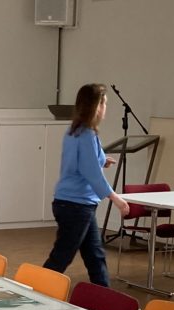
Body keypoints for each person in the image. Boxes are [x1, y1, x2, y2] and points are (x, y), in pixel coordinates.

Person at [43, 83, 130, 287]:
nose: (105, 108)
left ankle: (105, 301)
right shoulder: (88, 135)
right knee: (62, 257)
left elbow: (82, 163)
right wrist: (116, 198)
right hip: (76, 206)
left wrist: (102, 160)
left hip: (73, 204)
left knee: (95, 256)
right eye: (105, 103)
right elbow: (90, 173)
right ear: (96, 106)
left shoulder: (74, 131)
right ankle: (35, 294)